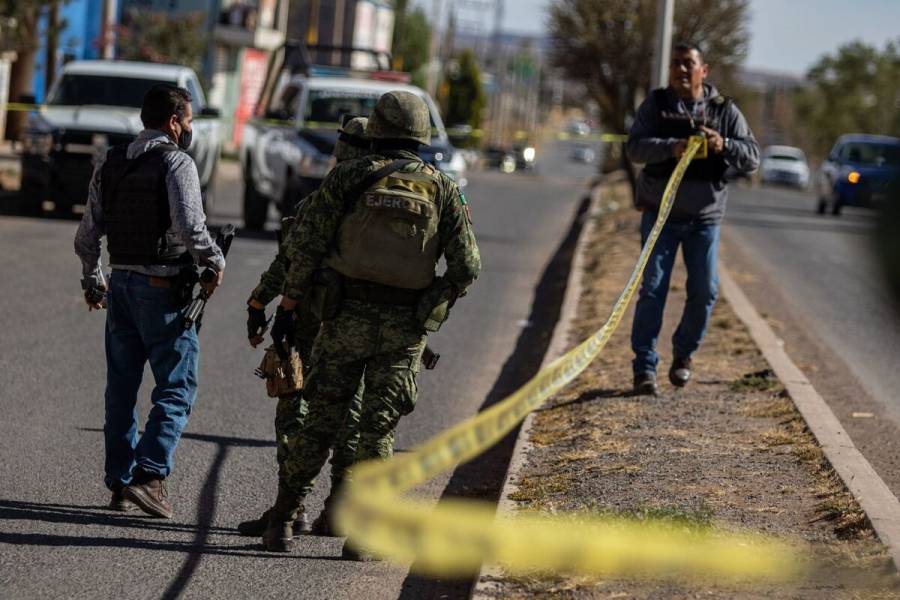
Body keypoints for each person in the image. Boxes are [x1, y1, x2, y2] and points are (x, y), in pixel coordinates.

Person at [261, 91, 481, 555]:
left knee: (319, 423)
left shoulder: (347, 177)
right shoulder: (442, 187)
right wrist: (433, 304)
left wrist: (288, 306)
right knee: (377, 433)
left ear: (376, 129)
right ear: (421, 134)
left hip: (342, 322)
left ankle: (282, 520)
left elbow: (307, 249)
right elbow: (467, 267)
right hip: (404, 332)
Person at [74, 84, 225, 518]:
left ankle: (120, 485)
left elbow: (88, 231)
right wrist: (215, 261)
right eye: (189, 121)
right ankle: (150, 476)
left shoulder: (112, 160)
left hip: (120, 286)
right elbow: (191, 228)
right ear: (173, 122)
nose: (190, 129)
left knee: (120, 390)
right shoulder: (177, 162)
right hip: (161, 292)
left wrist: (92, 278)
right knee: (176, 388)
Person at [237, 116, 372, 538]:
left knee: (295, 412)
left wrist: (261, 301)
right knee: (352, 416)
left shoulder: (324, 199)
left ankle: (290, 508)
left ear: (343, 149)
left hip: (313, 323)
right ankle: (339, 511)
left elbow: (292, 259)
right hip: (367, 328)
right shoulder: (386, 203)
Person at [626, 42, 759, 395]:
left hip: (704, 220)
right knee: (652, 290)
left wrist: (723, 145)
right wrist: (671, 147)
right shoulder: (656, 106)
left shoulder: (724, 111)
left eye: (689, 64)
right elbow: (635, 148)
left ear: (705, 70)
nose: (682, 70)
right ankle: (644, 367)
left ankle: (683, 356)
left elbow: (752, 157)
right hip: (660, 216)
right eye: (676, 64)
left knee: (704, 291)